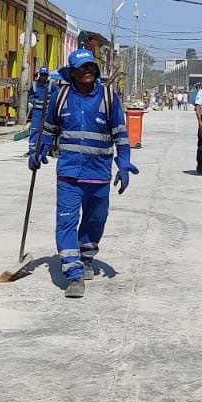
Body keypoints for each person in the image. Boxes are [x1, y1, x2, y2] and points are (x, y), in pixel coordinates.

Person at [30, 49, 137, 299]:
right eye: (82, 68)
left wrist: (124, 163)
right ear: (73, 72)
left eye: (91, 67)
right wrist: (38, 151)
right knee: (65, 222)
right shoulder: (62, 96)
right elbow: (48, 129)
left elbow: (120, 134)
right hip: (68, 174)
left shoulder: (109, 98)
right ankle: (74, 274)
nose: (87, 71)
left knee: (95, 220)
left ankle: (86, 257)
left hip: (98, 175)